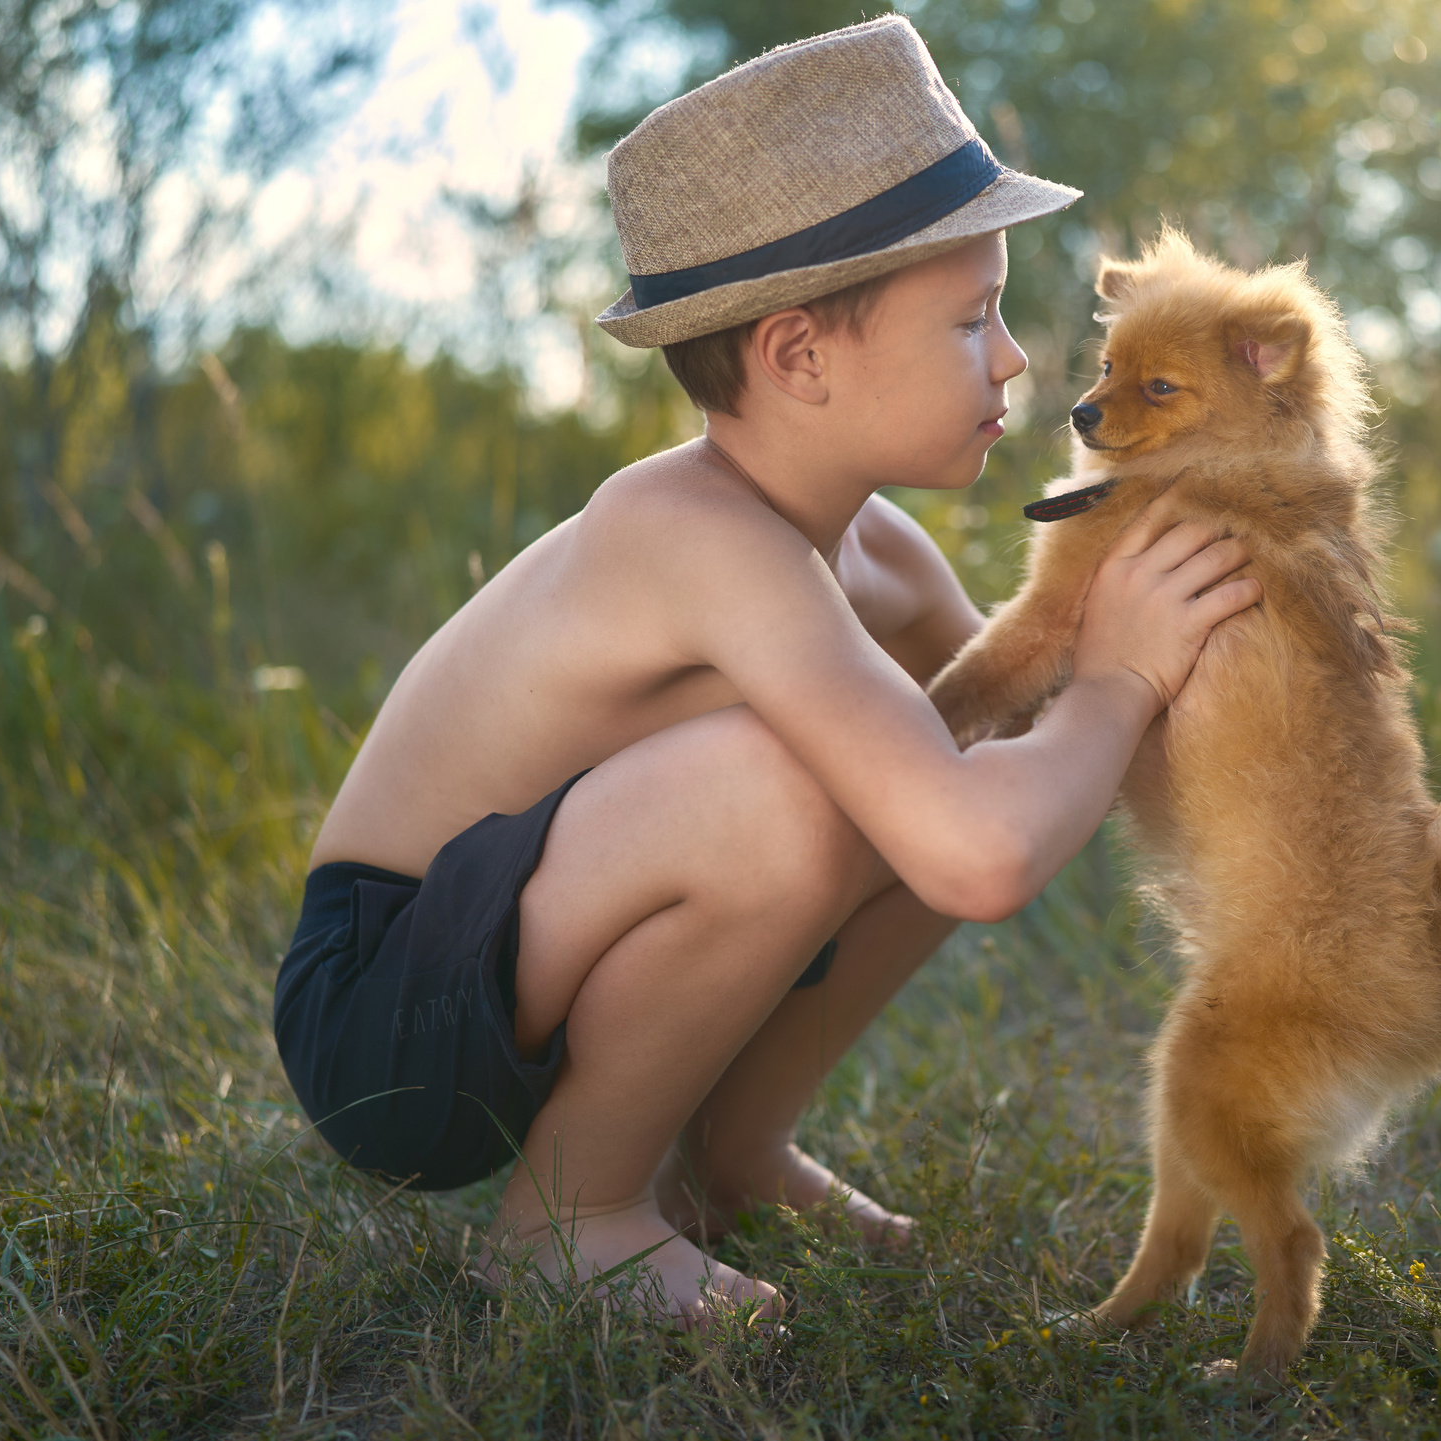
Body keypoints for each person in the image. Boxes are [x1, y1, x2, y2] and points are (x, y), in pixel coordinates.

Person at [271, 14, 1260, 1326]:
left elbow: (1011, 757)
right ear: (798, 356)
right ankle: (569, 1215)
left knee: (929, 749)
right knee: (793, 786)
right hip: (383, 1011)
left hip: (517, 963)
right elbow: (982, 854)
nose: (1016, 360)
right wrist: (1119, 680)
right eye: (975, 318)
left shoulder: (881, 557)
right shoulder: (685, 531)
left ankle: (731, 1157)